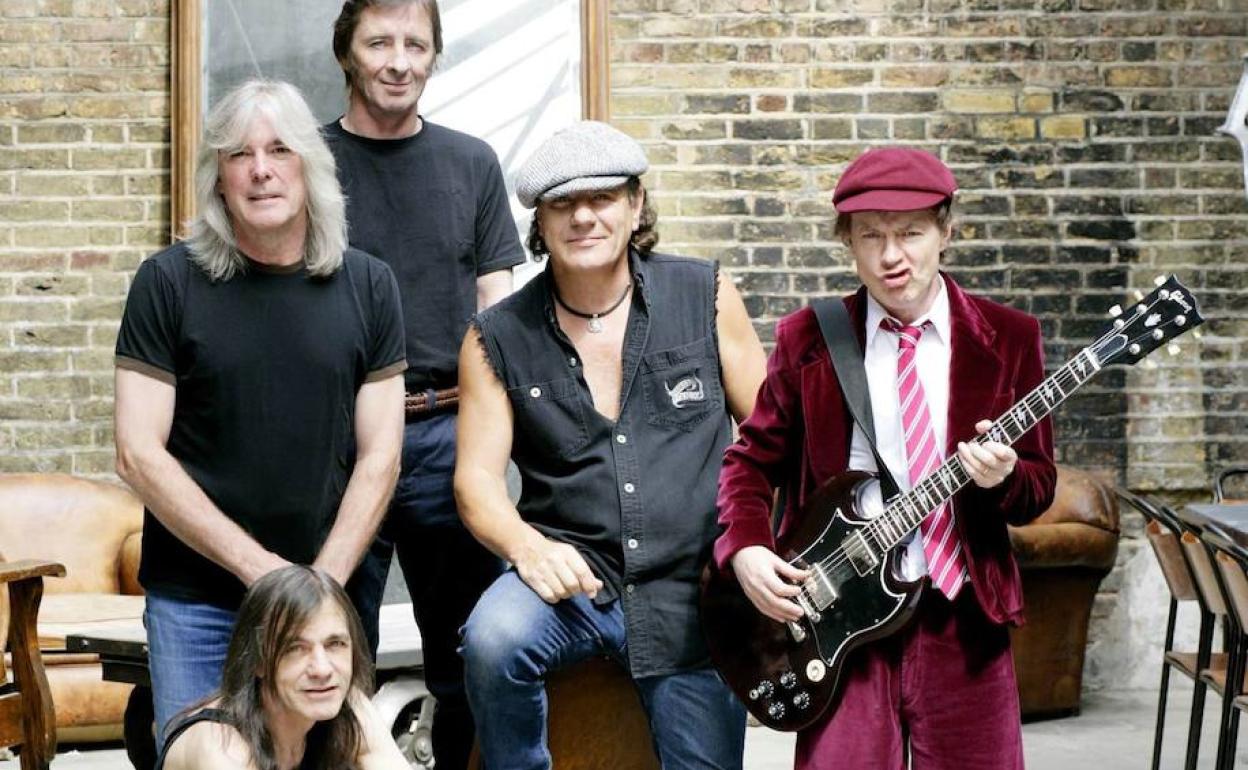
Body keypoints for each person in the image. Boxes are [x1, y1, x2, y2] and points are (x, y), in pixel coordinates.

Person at [714, 147, 1058, 769]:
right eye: (871, 235)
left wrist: (1005, 478)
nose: (891, 256)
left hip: (964, 616)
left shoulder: (1010, 337)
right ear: (847, 241)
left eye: (910, 233)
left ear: (946, 231)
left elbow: (1038, 486)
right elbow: (750, 461)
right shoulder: (810, 339)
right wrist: (746, 549)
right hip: (841, 615)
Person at [455, 121, 767, 770]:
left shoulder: (704, 295)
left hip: (693, 590)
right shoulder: (495, 336)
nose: (583, 217)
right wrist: (527, 548)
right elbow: (476, 482)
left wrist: (754, 544)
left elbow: (771, 438)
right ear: (540, 222)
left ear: (635, 204)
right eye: (562, 204)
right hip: (573, 579)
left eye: (601, 197)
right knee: (493, 638)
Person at [114, 79, 406, 739]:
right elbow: (137, 453)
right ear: (218, 177)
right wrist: (266, 575)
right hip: (197, 604)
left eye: (279, 149)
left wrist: (318, 589)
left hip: (324, 603)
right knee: (207, 758)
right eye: (239, 154)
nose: (261, 169)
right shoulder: (166, 283)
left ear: (311, 167)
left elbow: (382, 456)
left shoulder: (370, 285)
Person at [324, 2, 525, 765]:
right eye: (379, 42)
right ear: (346, 52)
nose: (399, 60)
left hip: (449, 432)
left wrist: (494, 435)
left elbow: (498, 310)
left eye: (417, 44)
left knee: (471, 649)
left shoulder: (471, 162)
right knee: (331, 643)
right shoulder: (306, 164)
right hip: (341, 438)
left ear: (436, 55)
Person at [156, 565, 410, 770]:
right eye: (295, 649)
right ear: (258, 662)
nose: (322, 670)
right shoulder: (223, 749)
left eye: (335, 644)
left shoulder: (348, 708)